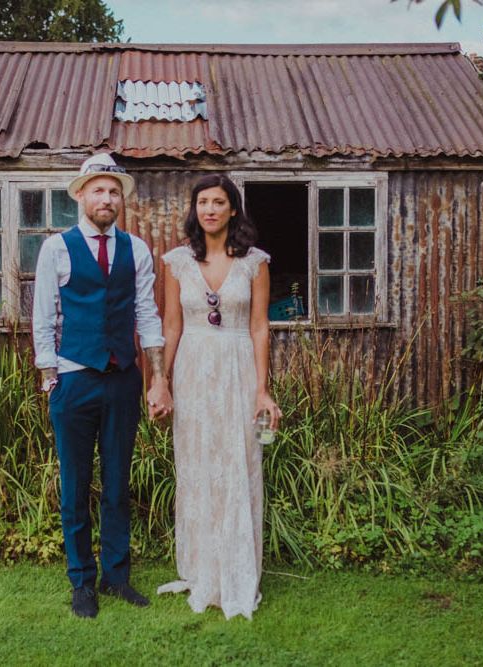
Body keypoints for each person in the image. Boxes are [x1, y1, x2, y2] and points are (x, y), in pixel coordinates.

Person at [32, 152, 171, 619]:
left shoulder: (136, 249)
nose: (106, 197)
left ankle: (116, 577)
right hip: (73, 380)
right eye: (98, 189)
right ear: (81, 195)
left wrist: (157, 379)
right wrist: (51, 377)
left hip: (123, 380)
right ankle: (82, 582)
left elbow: (146, 315)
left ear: (120, 200)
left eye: (113, 191)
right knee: (75, 485)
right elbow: (44, 316)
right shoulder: (56, 248)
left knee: (116, 483)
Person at [154, 174, 281, 620]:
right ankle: (202, 568)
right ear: (195, 210)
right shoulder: (176, 262)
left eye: (219, 202)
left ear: (232, 210)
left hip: (237, 366)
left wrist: (263, 389)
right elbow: (172, 325)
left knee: (237, 462)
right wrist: (160, 380)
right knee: (197, 463)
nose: (209, 209)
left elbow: (259, 326)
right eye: (203, 202)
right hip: (192, 368)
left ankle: (236, 572)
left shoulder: (254, 263)